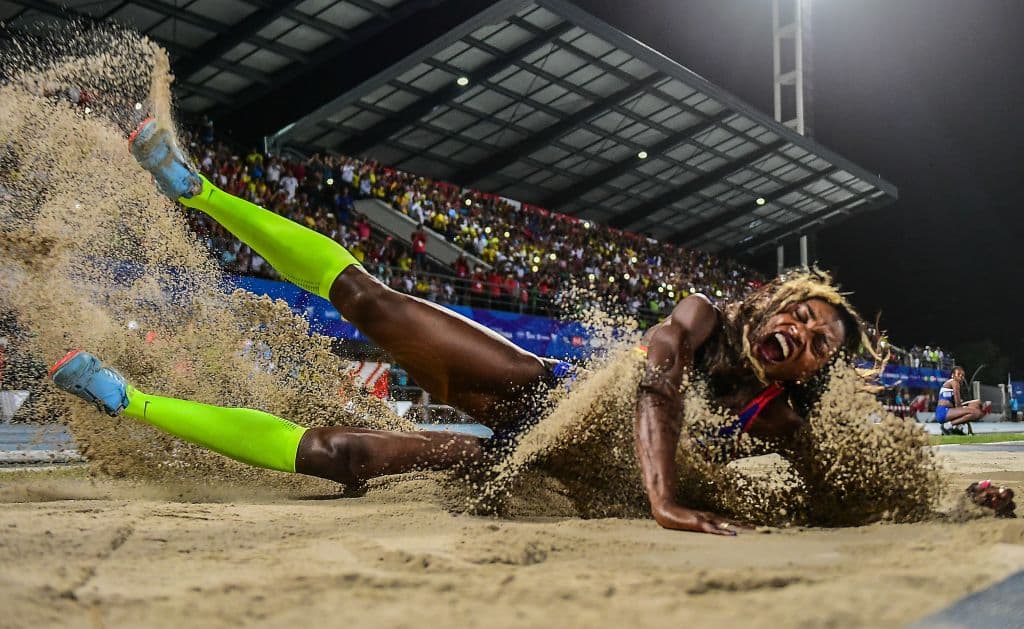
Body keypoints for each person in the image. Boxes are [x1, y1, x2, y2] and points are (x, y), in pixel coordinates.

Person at [50, 119, 1014, 535]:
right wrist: (666, 495)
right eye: (800, 312)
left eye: (816, 344)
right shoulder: (699, 316)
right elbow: (656, 385)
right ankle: (201, 187)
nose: (801, 332)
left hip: (533, 471)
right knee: (377, 305)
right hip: (532, 398)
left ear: (803, 373)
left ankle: (126, 396)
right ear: (768, 300)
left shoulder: (781, 415)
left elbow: (846, 493)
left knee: (348, 454)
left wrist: (952, 505)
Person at [936, 366, 986, 435]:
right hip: (944, 412)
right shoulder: (954, 382)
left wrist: (969, 429)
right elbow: (957, 403)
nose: (961, 377)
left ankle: (956, 428)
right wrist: (966, 410)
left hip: (950, 411)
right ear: (952, 375)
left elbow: (958, 405)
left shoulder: (955, 384)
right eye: (958, 374)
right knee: (976, 412)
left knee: (977, 403)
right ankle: (949, 426)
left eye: (962, 375)